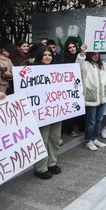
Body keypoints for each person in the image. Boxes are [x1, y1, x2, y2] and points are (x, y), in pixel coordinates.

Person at [78, 44, 106, 151]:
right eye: (94, 54)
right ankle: (88, 140)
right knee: (91, 121)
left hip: (102, 97)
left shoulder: (102, 65)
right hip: (91, 97)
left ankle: (95, 138)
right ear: (89, 55)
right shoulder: (85, 65)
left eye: (98, 54)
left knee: (99, 120)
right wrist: (82, 53)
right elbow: (78, 64)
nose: (96, 56)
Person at [30, 47, 62, 179]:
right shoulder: (31, 71)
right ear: (39, 56)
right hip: (41, 112)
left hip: (57, 110)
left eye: (50, 55)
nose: (48, 57)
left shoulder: (57, 70)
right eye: (44, 55)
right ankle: (40, 168)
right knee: (42, 140)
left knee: (54, 138)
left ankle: (52, 163)